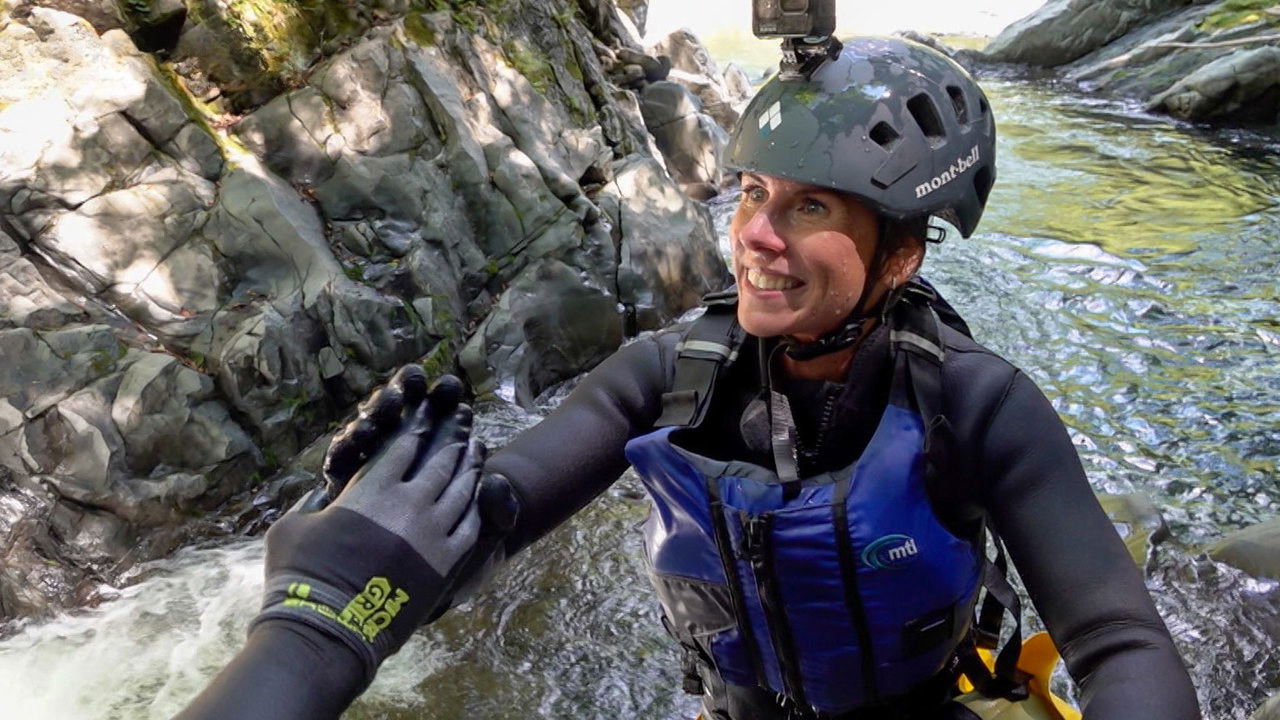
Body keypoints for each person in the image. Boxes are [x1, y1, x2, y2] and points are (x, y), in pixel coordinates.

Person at [175, 37, 1201, 720]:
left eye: (810, 209)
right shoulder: (666, 374)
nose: (750, 235)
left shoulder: (973, 405)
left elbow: (1114, 642)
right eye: (751, 191)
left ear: (901, 256)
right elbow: (495, 515)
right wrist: (345, 572)